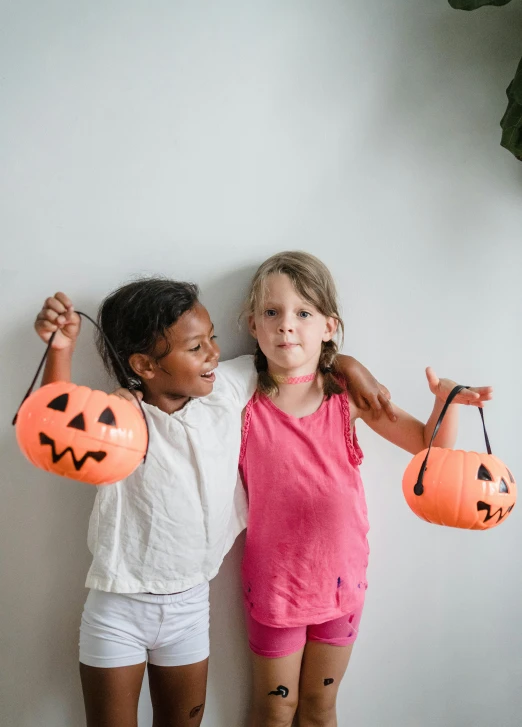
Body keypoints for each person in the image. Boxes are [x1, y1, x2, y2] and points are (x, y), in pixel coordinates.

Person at [34, 277, 392, 727]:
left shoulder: (226, 389)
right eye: (196, 347)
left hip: (189, 608)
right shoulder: (122, 417)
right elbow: (56, 435)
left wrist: (349, 364)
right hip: (119, 607)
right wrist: (60, 351)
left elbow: (290, 353)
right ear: (145, 364)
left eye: (213, 340)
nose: (214, 354)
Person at [239, 251, 492, 727]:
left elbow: (426, 445)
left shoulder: (346, 396)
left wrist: (447, 401)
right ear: (252, 324)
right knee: (274, 708)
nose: (286, 326)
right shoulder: (242, 400)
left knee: (319, 709)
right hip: (275, 590)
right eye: (272, 313)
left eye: (303, 313)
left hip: (340, 584)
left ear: (329, 326)